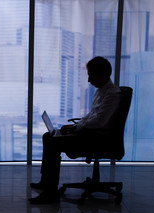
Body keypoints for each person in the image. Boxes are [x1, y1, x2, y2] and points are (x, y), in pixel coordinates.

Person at [29, 56, 122, 204]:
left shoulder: (112, 94)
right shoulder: (102, 91)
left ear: (102, 74)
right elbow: (92, 116)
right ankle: (45, 182)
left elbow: (99, 121)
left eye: (91, 75)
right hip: (91, 133)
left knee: (53, 144)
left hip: (98, 139)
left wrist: (75, 128)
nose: (89, 80)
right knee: (48, 136)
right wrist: (75, 127)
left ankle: (51, 193)